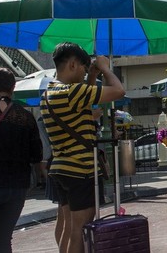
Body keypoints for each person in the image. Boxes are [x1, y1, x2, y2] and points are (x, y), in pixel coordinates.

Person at [42, 42, 126, 253]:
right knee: (81, 228)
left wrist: (90, 77)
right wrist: (106, 68)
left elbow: (81, 107)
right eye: (83, 67)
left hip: (62, 167)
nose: (84, 71)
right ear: (72, 64)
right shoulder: (72, 92)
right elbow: (118, 91)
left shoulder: (49, 93)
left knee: (71, 227)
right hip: (80, 169)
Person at [0, 67, 42, 252]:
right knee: (4, 240)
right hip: (17, 188)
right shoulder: (26, 117)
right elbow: (36, 155)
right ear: (13, 88)